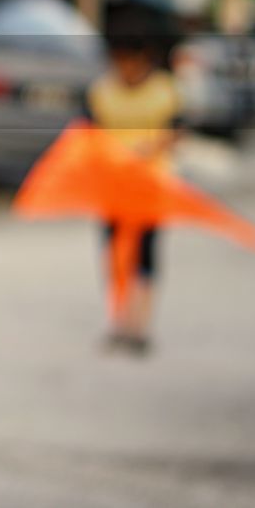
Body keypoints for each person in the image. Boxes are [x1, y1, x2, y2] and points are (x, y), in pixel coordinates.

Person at [86, 33, 182, 355]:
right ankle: (117, 322)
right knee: (114, 255)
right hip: (113, 185)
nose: (123, 69)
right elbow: (90, 132)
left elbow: (177, 130)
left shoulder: (164, 91)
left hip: (150, 185)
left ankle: (140, 326)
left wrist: (149, 148)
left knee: (145, 257)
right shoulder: (103, 91)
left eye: (129, 61)